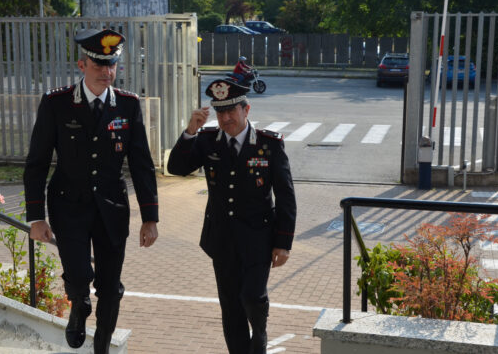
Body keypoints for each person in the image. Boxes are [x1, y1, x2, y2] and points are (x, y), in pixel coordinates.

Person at [23, 29, 159, 353]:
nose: (106, 72)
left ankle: (102, 344)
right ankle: (79, 307)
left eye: (111, 65)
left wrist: (150, 218)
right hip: (68, 207)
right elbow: (37, 162)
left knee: (111, 288)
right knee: (79, 277)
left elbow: (141, 164)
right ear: (82, 65)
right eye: (99, 65)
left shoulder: (127, 106)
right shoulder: (56, 103)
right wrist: (35, 218)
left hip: (111, 208)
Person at [167, 79, 296, 354]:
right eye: (220, 112)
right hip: (222, 238)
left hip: (259, 238)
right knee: (230, 307)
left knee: (252, 297)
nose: (225, 118)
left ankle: (259, 334)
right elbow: (176, 167)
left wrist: (283, 242)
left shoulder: (268, 145)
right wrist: (191, 130)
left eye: (231, 111)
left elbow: (285, 195)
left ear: (246, 109)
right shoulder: (207, 141)